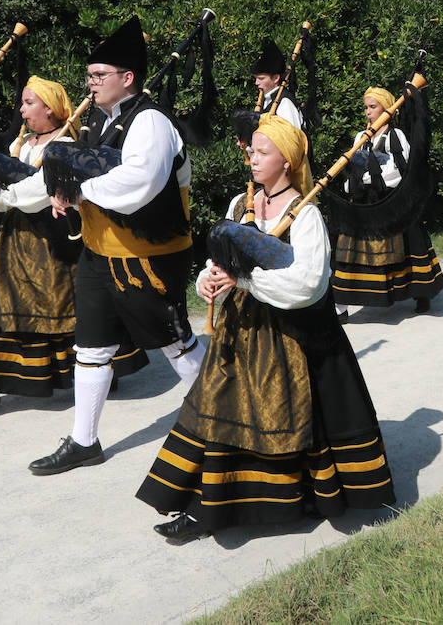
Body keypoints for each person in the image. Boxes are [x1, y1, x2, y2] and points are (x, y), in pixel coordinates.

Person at [136, 115, 395, 544]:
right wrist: (209, 280)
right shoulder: (241, 204)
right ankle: (207, 506)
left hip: (289, 337)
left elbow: (311, 284)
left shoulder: (306, 214)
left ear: (288, 161)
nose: (252, 158)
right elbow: (215, 263)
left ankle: (295, 498)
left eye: (262, 152)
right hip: (237, 334)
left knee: (282, 414)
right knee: (218, 409)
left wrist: (246, 281)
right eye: (251, 150)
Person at [30, 16, 206, 475]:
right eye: (88, 76)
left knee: (173, 341)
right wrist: (63, 192)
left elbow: (139, 184)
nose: (90, 84)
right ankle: (84, 440)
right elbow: (85, 171)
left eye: (98, 76)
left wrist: (81, 190)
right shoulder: (99, 120)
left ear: (127, 78)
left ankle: (224, 420)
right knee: (90, 347)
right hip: (99, 250)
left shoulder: (150, 122)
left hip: (146, 255)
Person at [0, 77, 147, 415]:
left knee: (62, 309)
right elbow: (10, 201)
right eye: (23, 103)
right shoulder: (20, 144)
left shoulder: (66, 142)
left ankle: (101, 370)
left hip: (53, 241)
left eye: (28, 103)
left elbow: (40, 193)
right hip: (14, 241)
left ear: (50, 109)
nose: (22, 110)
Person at [329, 86, 443, 314]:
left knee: (411, 241)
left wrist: (376, 174)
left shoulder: (395, 135)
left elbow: (403, 169)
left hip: (392, 200)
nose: (368, 112)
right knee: (349, 249)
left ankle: (422, 294)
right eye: (366, 107)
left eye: (373, 107)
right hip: (364, 200)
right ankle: (341, 307)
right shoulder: (359, 138)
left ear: (386, 109)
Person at [250, 38, 302, 129]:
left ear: (275, 78)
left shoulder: (285, 102)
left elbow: (293, 137)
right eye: (256, 78)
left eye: (261, 79)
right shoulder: (264, 100)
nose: (256, 83)